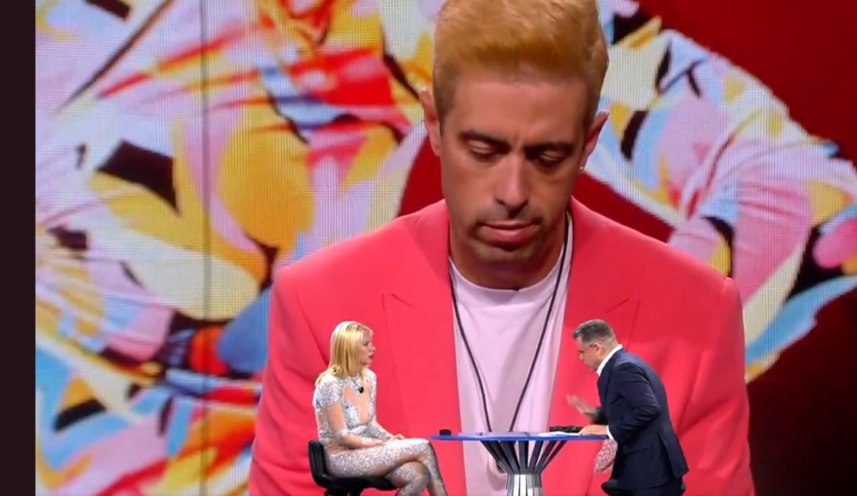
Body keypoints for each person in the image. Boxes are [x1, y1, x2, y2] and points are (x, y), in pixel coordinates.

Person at [248, 0, 754, 494]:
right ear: (434, 123)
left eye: (547, 156)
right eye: (484, 151)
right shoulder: (319, 306)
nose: (513, 192)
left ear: (589, 141)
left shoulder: (697, 314)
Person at [312, 321, 449, 496]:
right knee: (423, 447)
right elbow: (342, 437)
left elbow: (371, 425)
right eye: (366, 344)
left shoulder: (369, 378)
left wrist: (389, 438)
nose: (373, 348)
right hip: (341, 457)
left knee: (418, 473)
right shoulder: (329, 384)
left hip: (369, 452)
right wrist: (379, 444)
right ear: (350, 348)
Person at [571, 319, 687, 496]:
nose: (580, 358)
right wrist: (597, 413)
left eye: (582, 352)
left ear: (597, 348)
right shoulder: (621, 365)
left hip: (651, 469)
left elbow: (648, 408)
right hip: (641, 468)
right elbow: (630, 407)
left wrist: (608, 430)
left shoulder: (623, 368)